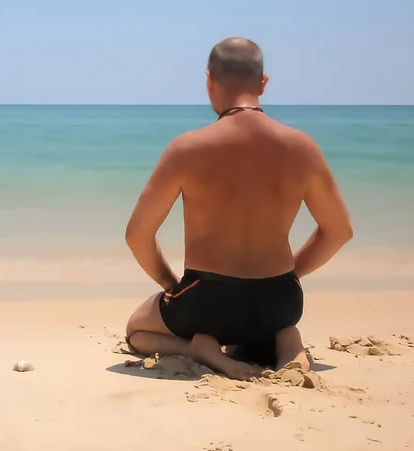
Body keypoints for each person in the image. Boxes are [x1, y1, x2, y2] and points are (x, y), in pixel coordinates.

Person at [124, 37, 353, 380]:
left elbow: (138, 235)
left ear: (208, 81)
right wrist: (292, 274)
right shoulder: (302, 147)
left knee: (137, 332)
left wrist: (172, 287)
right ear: (263, 82)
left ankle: (200, 350)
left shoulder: (187, 148)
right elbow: (338, 231)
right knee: (260, 331)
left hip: (206, 304)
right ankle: (288, 342)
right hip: (281, 304)